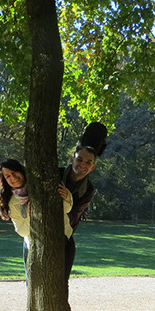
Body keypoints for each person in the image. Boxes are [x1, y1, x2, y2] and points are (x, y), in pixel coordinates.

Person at [0, 159, 73, 273]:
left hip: (62, 240)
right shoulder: (12, 203)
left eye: (15, 172)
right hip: (34, 247)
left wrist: (67, 196)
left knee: (60, 284)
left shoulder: (42, 187)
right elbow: (21, 231)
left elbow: (66, 209)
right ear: (5, 180)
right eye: (8, 176)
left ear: (21, 171)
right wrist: (32, 216)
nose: (13, 177)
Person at [58, 121, 108, 283]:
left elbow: (73, 217)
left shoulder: (88, 190)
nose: (83, 165)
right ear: (72, 158)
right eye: (80, 160)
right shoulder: (55, 174)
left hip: (64, 240)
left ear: (93, 167)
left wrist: (67, 199)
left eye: (88, 162)